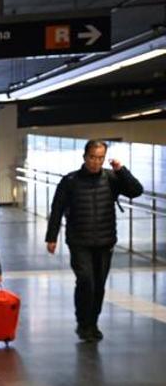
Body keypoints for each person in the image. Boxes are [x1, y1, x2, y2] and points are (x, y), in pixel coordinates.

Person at [45, 139, 143, 342]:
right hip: (79, 241)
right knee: (85, 281)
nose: (96, 162)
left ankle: (93, 323)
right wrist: (51, 237)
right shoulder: (70, 181)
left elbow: (136, 191)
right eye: (92, 157)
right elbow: (57, 209)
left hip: (105, 242)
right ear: (84, 157)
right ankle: (83, 323)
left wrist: (122, 170)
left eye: (100, 158)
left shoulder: (111, 179)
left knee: (99, 285)